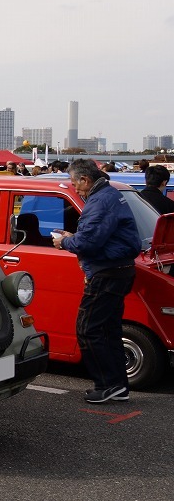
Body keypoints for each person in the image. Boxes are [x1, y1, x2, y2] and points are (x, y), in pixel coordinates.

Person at [51, 160, 142, 403]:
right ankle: (118, 385)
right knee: (108, 329)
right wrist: (76, 237)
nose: (74, 187)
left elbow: (88, 243)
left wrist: (66, 242)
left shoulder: (100, 200)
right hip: (119, 269)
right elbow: (97, 235)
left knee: (88, 328)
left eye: (74, 182)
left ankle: (106, 384)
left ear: (85, 180)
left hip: (106, 272)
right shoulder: (111, 194)